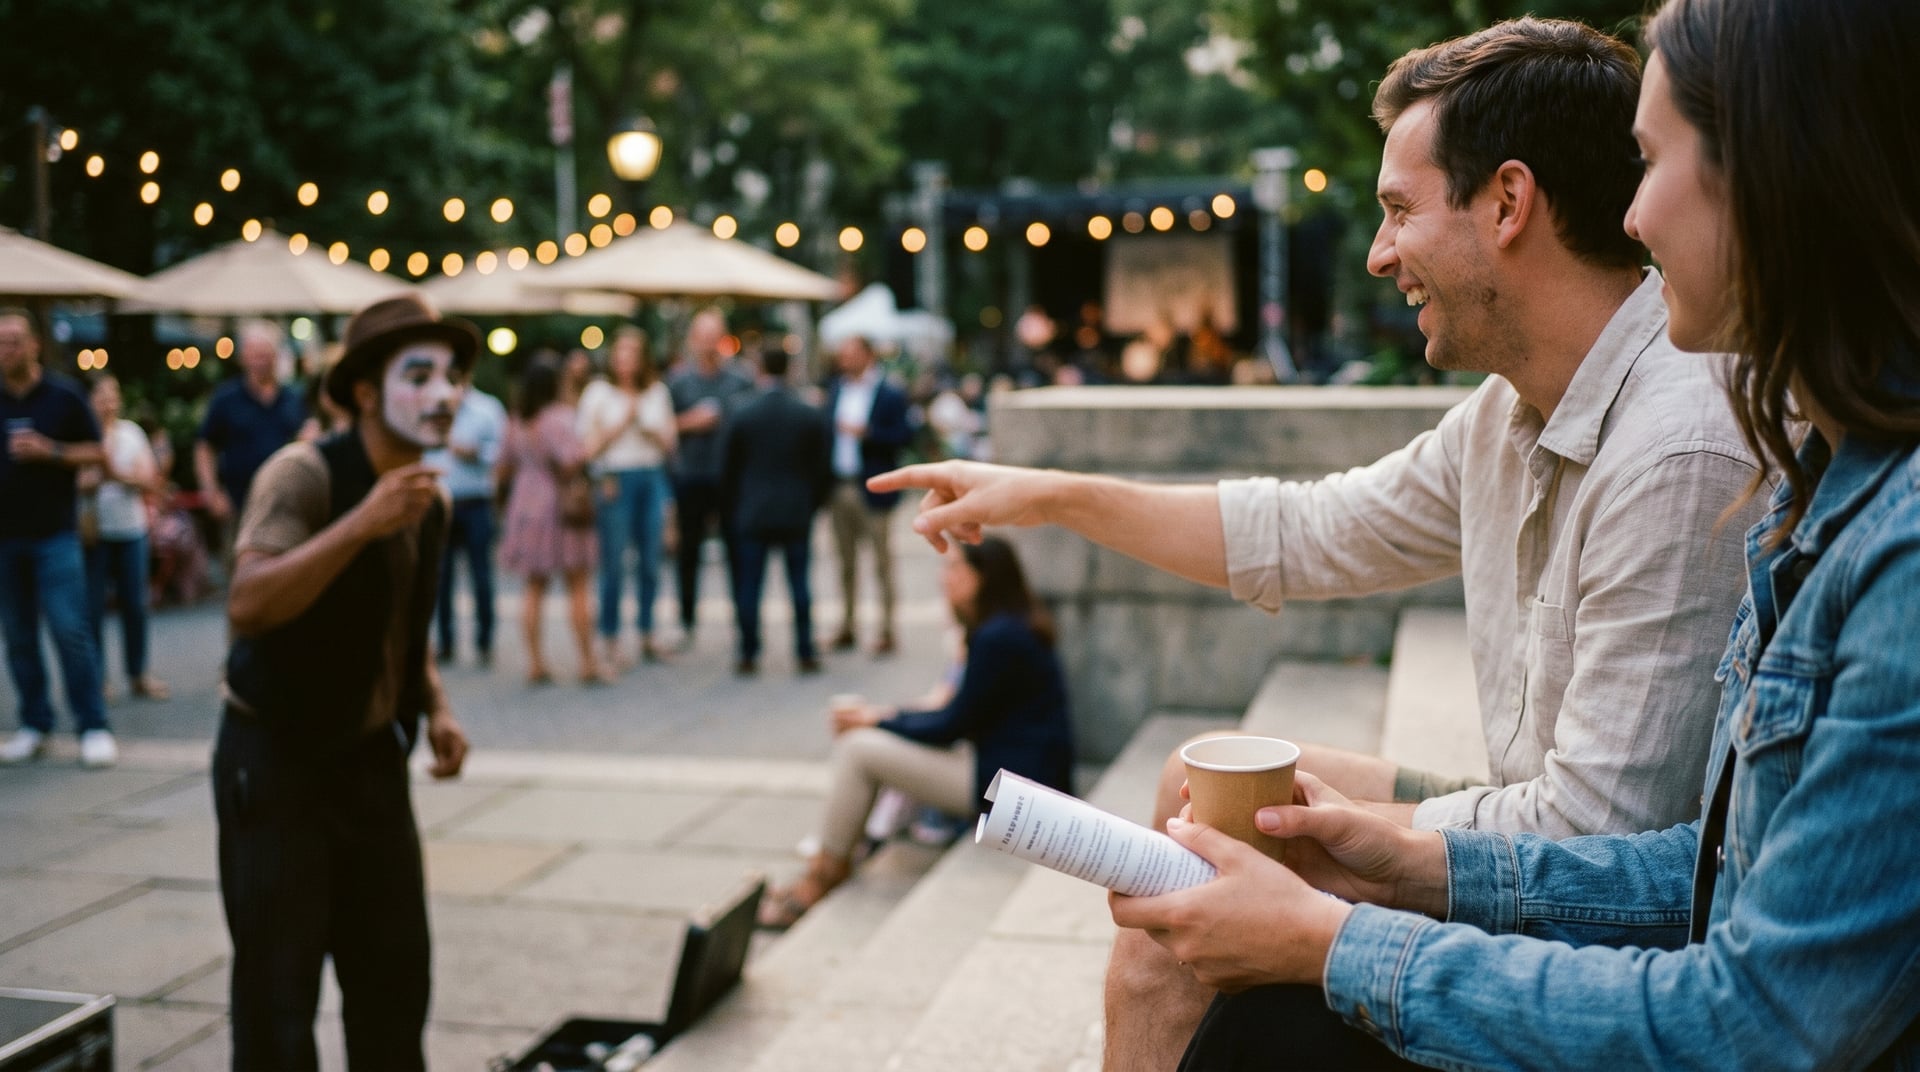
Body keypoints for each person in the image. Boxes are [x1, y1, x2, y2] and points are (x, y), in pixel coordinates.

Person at [870, 17, 1767, 1068]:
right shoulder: (1511, 408)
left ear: (1510, 203)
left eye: (1398, 211)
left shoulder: (1677, 442)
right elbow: (1307, 531)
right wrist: (1056, 494)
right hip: (1551, 838)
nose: (1382, 252)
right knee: (1194, 789)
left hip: (1587, 919)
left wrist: (1370, 851)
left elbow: (1594, 839)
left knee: (1170, 943)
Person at [1110, 1, 1920, 1067]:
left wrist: (1343, 937)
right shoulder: (1820, 485)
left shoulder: (1843, 519)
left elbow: (1755, 1014)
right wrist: (1410, 869)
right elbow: (1714, 871)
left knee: (1251, 1002)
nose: (1631, 217)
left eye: (1653, 160)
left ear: (1777, 175)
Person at [215, 293, 474, 1070]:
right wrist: (361, 522)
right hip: (278, 760)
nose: (444, 395)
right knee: (277, 1002)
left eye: (452, 377)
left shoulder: (432, 502)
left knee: (396, 983)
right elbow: (248, 603)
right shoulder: (302, 474)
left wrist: (435, 704)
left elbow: (401, 620)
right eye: (418, 374)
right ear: (365, 391)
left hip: (369, 762)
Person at [758, 535, 1073, 929]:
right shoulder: (1005, 626)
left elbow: (949, 726)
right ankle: (831, 861)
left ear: (983, 576)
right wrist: (885, 717)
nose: (944, 577)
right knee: (871, 743)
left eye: (955, 567)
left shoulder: (998, 637)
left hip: (1014, 791)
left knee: (859, 750)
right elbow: (955, 717)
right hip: (1010, 772)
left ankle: (823, 875)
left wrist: (876, 721)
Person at [0, 308, 112, 767]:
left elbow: (99, 454)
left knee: (70, 629)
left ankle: (93, 724)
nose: (7, 350)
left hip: (55, 534)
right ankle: (34, 722)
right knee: (18, 634)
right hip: (6, 537)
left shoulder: (63, 396)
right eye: (0, 342)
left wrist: (51, 450)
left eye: (14, 341)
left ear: (34, 345)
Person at [721, 346, 830, 676]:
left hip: (753, 510)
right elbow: (823, 467)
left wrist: (733, 506)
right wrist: (813, 503)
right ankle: (805, 648)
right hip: (796, 510)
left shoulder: (742, 412)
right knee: (799, 583)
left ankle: (748, 650)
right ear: (791, 370)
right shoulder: (807, 413)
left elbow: (728, 468)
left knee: (750, 584)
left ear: (759, 368)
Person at [498, 358, 606, 685]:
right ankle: (588, 662)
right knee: (578, 584)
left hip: (525, 504)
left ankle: (535, 663)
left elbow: (503, 464)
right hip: (559, 505)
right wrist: (596, 444)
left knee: (533, 586)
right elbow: (571, 462)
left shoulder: (517, 421)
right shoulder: (559, 418)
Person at [578, 325, 677, 667]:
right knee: (614, 563)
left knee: (651, 560)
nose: (626, 359)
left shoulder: (657, 392)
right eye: (621, 352)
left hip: (650, 476)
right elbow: (587, 449)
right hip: (615, 478)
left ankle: (648, 631)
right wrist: (622, 422)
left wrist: (650, 427)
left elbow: (670, 443)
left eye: (633, 352)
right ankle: (610, 636)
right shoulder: (598, 393)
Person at [665, 308, 753, 650]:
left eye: (712, 336)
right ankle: (686, 620)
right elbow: (663, 427)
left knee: (738, 550)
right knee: (689, 552)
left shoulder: (741, 379)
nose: (707, 344)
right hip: (690, 476)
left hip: (731, 478)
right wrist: (691, 422)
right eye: (701, 336)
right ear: (692, 340)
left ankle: (741, 621)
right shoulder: (679, 382)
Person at [82, 372, 169, 702]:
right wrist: (119, 476)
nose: (108, 401)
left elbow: (150, 480)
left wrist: (111, 474)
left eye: (113, 393)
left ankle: (138, 672)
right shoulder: (81, 435)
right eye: (101, 394)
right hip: (94, 533)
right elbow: (75, 482)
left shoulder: (132, 434)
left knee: (135, 604)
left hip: (131, 529)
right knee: (92, 608)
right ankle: (98, 679)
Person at [825, 335, 913, 656]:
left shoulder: (889, 392)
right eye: (842, 354)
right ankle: (847, 624)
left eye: (850, 353)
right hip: (840, 484)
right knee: (845, 561)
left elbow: (905, 435)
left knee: (881, 562)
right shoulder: (837, 389)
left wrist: (869, 434)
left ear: (867, 355)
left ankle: (887, 629)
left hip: (874, 486)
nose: (844, 359)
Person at [195, 320, 307, 540]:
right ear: (243, 357)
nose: (260, 361)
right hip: (238, 506)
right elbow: (204, 447)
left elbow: (307, 440)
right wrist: (211, 493)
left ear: (276, 356)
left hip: (285, 505)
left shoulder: (293, 398)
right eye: (255, 354)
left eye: (266, 354)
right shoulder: (226, 398)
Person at [423, 378, 507, 667]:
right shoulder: (428, 408)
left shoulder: (487, 408)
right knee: (441, 575)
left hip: (475, 501)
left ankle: (485, 640)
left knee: (481, 574)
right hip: (439, 500)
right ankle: (445, 642)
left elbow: (501, 452)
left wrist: (475, 453)